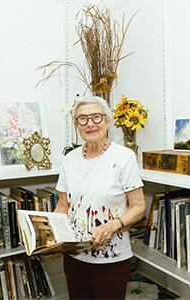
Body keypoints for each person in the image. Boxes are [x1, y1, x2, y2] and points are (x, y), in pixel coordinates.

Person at [46, 95, 146, 300]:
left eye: (96, 117)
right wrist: (53, 238)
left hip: (111, 259)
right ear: (76, 125)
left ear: (107, 121)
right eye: (83, 119)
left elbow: (138, 206)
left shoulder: (124, 157)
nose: (90, 124)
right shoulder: (69, 160)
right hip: (74, 256)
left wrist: (112, 226)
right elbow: (63, 206)